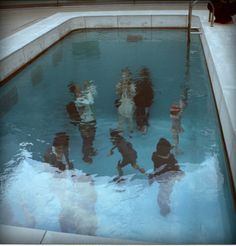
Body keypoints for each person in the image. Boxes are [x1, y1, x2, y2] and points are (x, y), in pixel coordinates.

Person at [149, 138, 184, 216]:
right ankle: (163, 207)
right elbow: (173, 167)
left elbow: (173, 163)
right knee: (164, 193)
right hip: (165, 179)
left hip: (161, 174)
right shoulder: (167, 159)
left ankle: (152, 177)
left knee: (165, 186)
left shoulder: (155, 155)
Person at [67, 81, 97, 163]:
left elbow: (93, 95)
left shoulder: (81, 98)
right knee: (88, 140)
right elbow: (90, 101)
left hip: (88, 123)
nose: (81, 91)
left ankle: (88, 153)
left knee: (89, 140)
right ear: (75, 93)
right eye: (79, 90)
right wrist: (88, 88)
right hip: (86, 124)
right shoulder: (79, 101)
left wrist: (89, 87)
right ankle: (86, 155)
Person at [115, 67, 136, 133]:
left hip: (129, 102)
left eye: (126, 76)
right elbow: (117, 93)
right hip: (122, 102)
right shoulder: (120, 84)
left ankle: (131, 129)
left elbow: (133, 94)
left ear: (129, 76)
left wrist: (129, 90)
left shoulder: (131, 85)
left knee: (130, 117)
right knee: (121, 116)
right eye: (123, 75)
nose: (124, 77)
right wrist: (120, 89)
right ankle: (120, 129)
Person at [134, 67, 154, 134]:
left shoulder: (146, 83)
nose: (143, 76)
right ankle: (142, 125)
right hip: (141, 102)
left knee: (142, 114)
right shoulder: (146, 83)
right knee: (141, 114)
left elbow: (150, 93)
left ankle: (143, 126)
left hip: (143, 102)